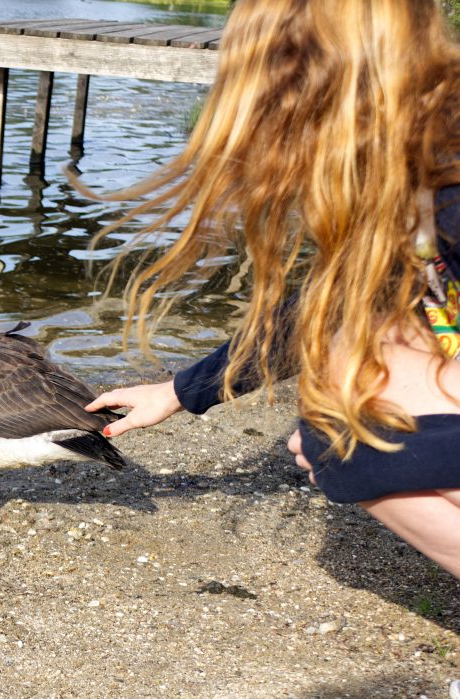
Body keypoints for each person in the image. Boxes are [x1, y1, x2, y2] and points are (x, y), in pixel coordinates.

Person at [83, 0, 460, 580]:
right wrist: (181, 391)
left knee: (342, 430)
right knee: (348, 366)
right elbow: (325, 306)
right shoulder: (417, 163)